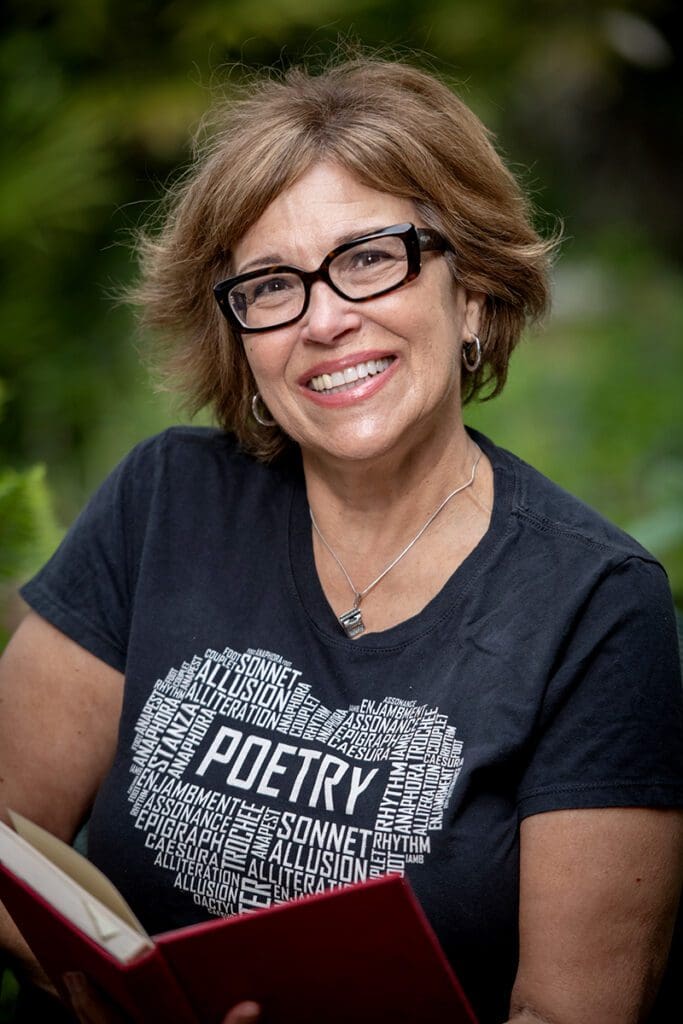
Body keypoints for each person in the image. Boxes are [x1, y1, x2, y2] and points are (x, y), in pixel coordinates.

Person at [1, 54, 682, 1024]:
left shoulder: (593, 606)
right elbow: (7, 845)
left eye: (368, 258)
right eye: (271, 286)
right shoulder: (164, 501)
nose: (322, 319)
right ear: (240, 333)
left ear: (473, 292)